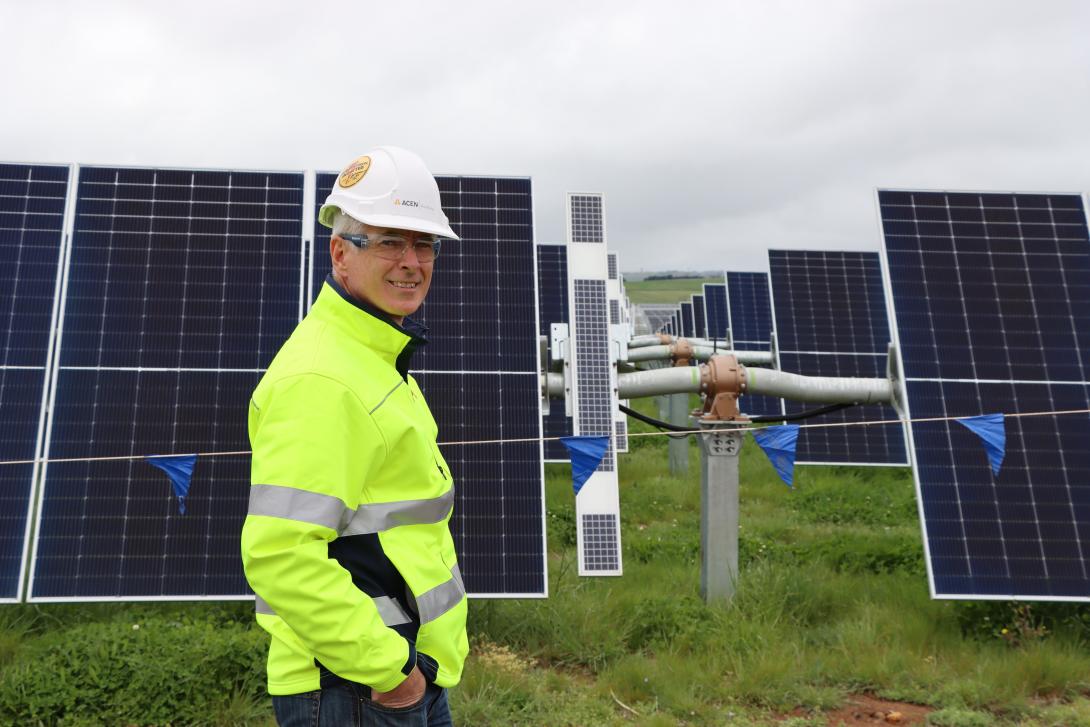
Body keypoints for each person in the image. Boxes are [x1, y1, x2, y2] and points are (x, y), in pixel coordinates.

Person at [241, 146, 468, 726]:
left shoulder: (371, 355)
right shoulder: (322, 377)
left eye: (424, 244)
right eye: (389, 241)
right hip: (354, 688)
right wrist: (392, 674)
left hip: (390, 678)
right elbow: (281, 556)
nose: (412, 261)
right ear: (341, 254)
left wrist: (409, 674)